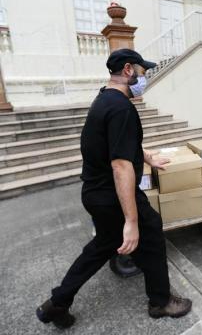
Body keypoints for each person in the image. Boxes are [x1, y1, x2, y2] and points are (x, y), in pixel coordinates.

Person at [36, 49, 192, 329]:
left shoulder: (104, 100)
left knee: (101, 246)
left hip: (95, 194)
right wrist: (131, 221)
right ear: (129, 70)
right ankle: (160, 302)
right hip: (112, 195)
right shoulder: (122, 108)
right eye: (143, 72)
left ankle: (57, 303)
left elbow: (118, 143)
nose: (146, 77)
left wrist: (146, 157)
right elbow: (121, 166)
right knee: (151, 233)